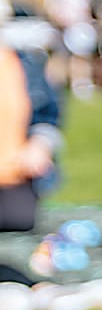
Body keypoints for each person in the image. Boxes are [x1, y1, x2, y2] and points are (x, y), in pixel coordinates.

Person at [0, 39, 63, 233]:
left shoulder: (22, 61)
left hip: (12, 177)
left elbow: (46, 116)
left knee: (17, 219)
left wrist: (39, 144)